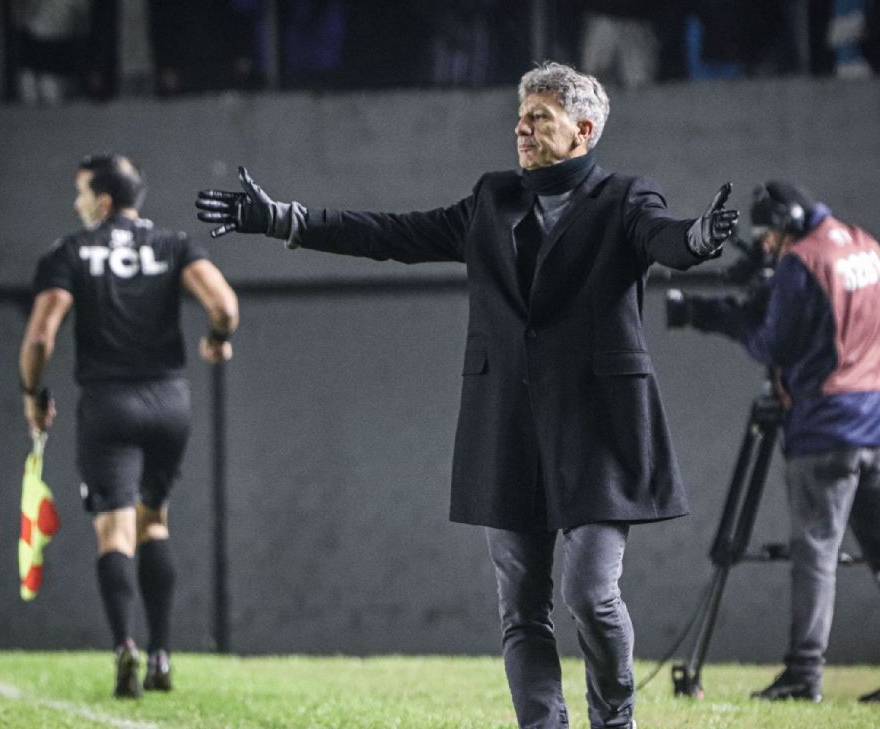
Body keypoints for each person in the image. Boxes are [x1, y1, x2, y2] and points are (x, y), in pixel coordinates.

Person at [195, 60, 737, 729]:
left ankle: (614, 715)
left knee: (591, 593)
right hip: (505, 426)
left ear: (584, 130)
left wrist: (698, 238)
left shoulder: (624, 199)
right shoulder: (491, 199)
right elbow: (393, 235)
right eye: (521, 116)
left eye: (540, 117)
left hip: (599, 433)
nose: (523, 127)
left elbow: (666, 238)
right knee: (521, 609)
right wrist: (286, 219)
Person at [667, 181, 880, 703]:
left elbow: (775, 342)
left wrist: (730, 319)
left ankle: (804, 672)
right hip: (879, 420)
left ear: (787, 223)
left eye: (769, 235)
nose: (767, 247)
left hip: (825, 425)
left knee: (815, 550)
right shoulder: (865, 243)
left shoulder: (802, 262)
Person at [20, 153, 238, 698]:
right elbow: (224, 305)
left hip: (107, 403)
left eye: (81, 193)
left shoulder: (69, 251)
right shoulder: (174, 244)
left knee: (114, 530)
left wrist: (32, 393)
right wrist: (214, 339)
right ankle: (163, 655)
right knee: (155, 522)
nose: (76, 204)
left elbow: (42, 336)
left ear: (104, 200)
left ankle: (124, 649)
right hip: (169, 400)